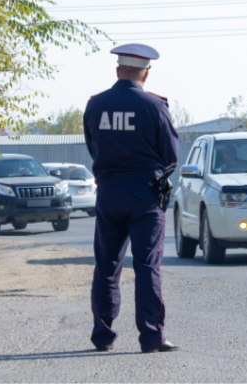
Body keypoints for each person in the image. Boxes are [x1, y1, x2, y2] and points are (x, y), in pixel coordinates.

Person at [83, 44, 181, 354]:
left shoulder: (95, 105)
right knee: (147, 266)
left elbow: (93, 147)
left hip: (108, 192)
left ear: (117, 71)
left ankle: (102, 336)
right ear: (146, 74)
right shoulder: (154, 106)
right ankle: (151, 337)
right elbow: (171, 156)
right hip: (145, 195)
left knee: (106, 265)